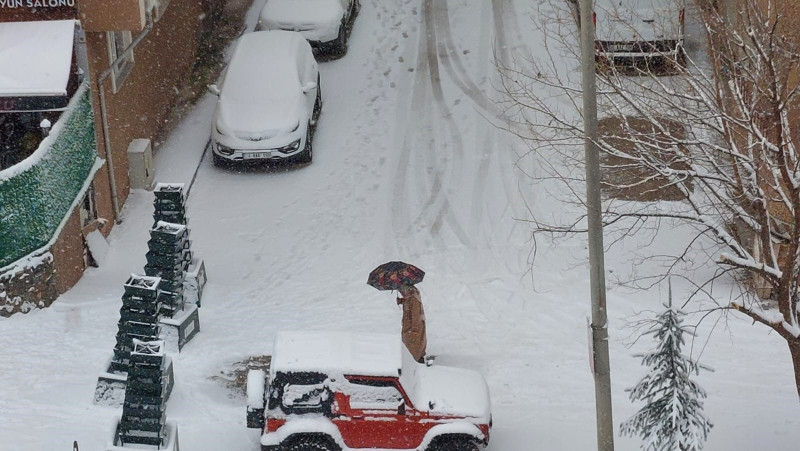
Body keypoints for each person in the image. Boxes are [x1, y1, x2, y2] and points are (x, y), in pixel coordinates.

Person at [397, 284, 427, 363]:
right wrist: (402, 301)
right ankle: (414, 358)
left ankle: (414, 361)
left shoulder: (414, 299)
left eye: (402, 291)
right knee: (412, 344)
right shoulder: (411, 295)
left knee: (412, 344)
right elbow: (408, 303)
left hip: (413, 326)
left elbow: (415, 314)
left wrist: (415, 329)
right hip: (409, 325)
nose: (401, 293)